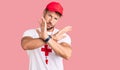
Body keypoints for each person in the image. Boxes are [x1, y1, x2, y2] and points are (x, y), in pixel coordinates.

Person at [21, 1, 72, 70]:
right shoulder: (30, 33)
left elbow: (67, 54)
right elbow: (25, 45)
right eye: (50, 15)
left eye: (55, 18)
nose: (51, 21)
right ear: (44, 13)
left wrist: (46, 37)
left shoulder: (62, 35)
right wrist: (52, 37)